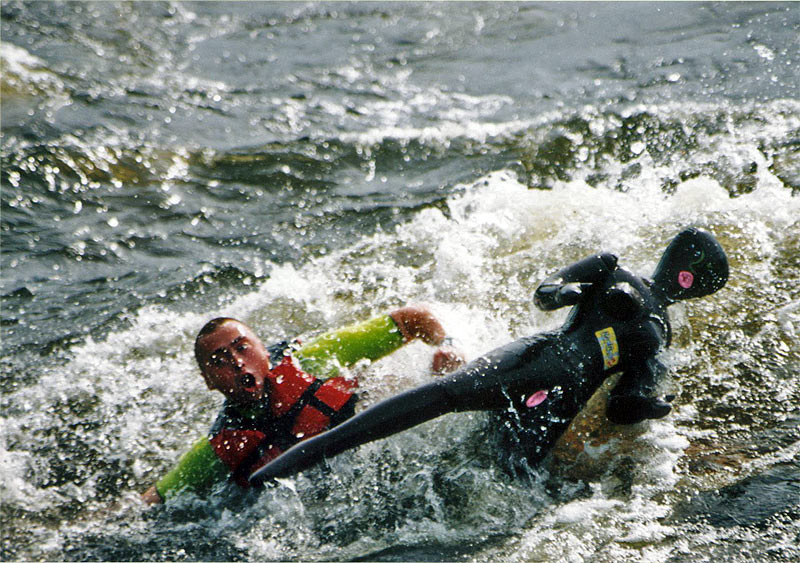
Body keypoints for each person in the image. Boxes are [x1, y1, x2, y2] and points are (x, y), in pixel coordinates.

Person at [249, 227, 729, 485]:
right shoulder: (612, 268)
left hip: (558, 402)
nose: (684, 273)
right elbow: (546, 291)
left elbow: (624, 402)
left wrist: (649, 405)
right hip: (536, 359)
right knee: (444, 395)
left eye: (695, 273)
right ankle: (276, 470)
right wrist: (568, 294)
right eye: (688, 260)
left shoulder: (656, 335)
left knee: (504, 480)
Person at [141, 305, 464, 504]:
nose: (238, 363)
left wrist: (447, 346)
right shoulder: (223, 445)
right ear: (209, 381)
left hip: (364, 416)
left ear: (265, 351)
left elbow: (414, 319)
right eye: (220, 360)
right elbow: (154, 498)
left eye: (242, 348)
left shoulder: (311, 360)